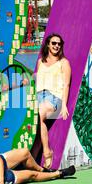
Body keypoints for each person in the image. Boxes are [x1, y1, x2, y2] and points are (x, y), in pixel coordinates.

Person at [0, 128, 76, 184]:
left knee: (25, 152)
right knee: (32, 175)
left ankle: (43, 170)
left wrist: (1, 178)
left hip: (0, 171)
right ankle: (59, 173)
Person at [35, 33, 71, 169]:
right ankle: (33, 157)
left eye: (59, 44)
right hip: (38, 95)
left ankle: (47, 151)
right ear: (48, 45)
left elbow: (66, 84)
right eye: (54, 43)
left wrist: (64, 106)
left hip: (54, 97)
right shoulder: (40, 62)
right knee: (34, 119)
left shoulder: (64, 63)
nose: (56, 46)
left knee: (40, 114)